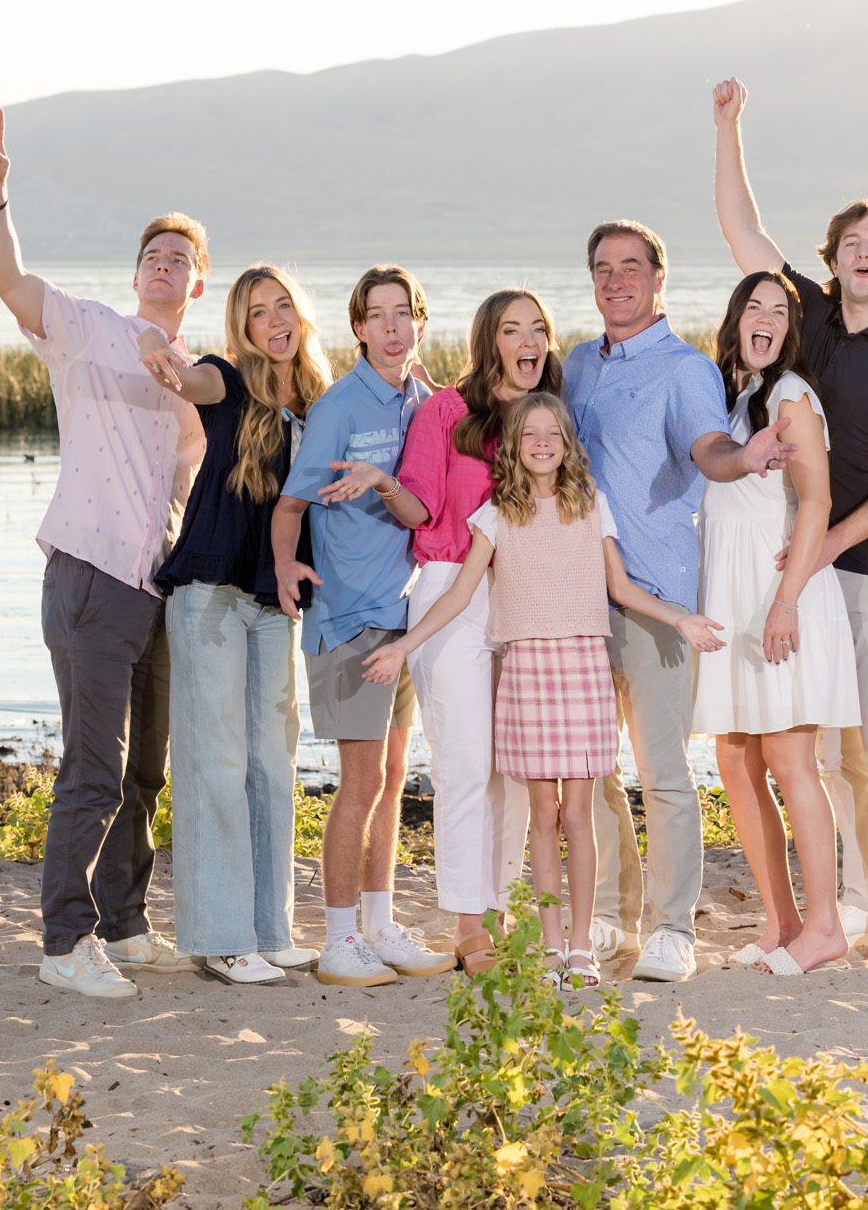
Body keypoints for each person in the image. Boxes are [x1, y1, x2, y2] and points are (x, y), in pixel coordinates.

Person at [361, 393, 724, 986]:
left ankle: (581, 946)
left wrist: (678, 617)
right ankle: (552, 947)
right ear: (513, 444)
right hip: (526, 671)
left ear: (566, 442)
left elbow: (622, 588)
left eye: (551, 432)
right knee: (544, 816)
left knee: (579, 814)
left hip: (582, 667)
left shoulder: (591, 505)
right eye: (528, 433)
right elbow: (456, 596)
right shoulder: (495, 514)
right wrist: (405, 645)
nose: (540, 442)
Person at [711, 79, 868, 970]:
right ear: (832, 260)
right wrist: (729, 129)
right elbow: (743, 233)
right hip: (803, 570)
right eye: (849, 243)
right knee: (826, 749)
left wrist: (836, 544)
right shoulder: (809, 325)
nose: (861, 254)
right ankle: (854, 901)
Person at [0, 108, 204, 998]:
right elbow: (8, 279)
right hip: (88, 573)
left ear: (195, 280)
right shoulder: (86, 328)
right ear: (136, 270)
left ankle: (124, 919)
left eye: (180, 256)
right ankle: (66, 942)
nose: (164, 261)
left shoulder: (197, 376)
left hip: (153, 589)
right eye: (154, 251)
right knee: (94, 766)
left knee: (146, 767)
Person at [566, 220, 794, 985]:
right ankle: (607, 908)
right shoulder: (574, 365)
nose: (617, 280)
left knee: (661, 771)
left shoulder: (685, 369)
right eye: (604, 268)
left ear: (659, 278)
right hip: (575, 598)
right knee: (589, 768)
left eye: (632, 267)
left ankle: (671, 927)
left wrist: (747, 458)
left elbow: (709, 451)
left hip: (657, 593)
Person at [322, 289, 560, 971]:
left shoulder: (547, 418)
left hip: (526, 600)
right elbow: (420, 505)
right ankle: (466, 923)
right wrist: (380, 483)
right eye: (512, 329)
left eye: (538, 329)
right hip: (449, 592)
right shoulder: (446, 411)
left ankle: (500, 909)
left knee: (514, 770)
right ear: (489, 341)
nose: (529, 340)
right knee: (464, 765)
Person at [139, 265, 330, 985]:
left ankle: (268, 928)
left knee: (270, 764)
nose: (275, 320)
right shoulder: (226, 378)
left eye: (284, 305)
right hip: (211, 594)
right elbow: (193, 383)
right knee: (215, 762)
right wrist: (169, 370)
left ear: (300, 315)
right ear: (242, 327)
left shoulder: (315, 399)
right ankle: (221, 938)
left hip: (273, 599)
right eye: (258, 312)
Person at [272, 264, 451, 987]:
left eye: (402, 313)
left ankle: (379, 923)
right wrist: (287, 567)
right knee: (359, 779)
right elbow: (291, 504)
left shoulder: (426, 400)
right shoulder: (339, 407)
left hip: (405, 615)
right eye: (376, 315)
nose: (390, 326)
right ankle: (339, 936)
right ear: (356, 328)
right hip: (349, 617)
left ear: (419, 322)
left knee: (392, 775)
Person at [692, 272, 860, 976]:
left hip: (777, 597)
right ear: (735, 321)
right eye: (752, 306)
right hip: (733, 601)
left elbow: (817, 501)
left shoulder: (791, 394)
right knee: (735, 759)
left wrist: (785, 601)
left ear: (791, 329)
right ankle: (782, 918)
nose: (765, 318)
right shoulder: (736, 401)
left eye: (778, 311)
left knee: (792, 760)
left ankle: (824, 926)